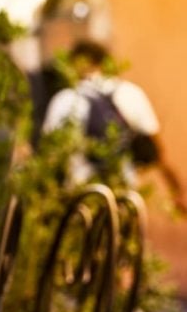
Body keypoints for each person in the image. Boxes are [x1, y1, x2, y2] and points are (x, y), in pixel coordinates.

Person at [42, 40, 184, 209]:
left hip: (81, 195)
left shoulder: (65, 100)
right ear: (104, 62)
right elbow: (155, 148)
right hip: (124, 191)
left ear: (73, 64)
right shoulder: (129, 93)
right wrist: (176, 189)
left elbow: (48, 155)